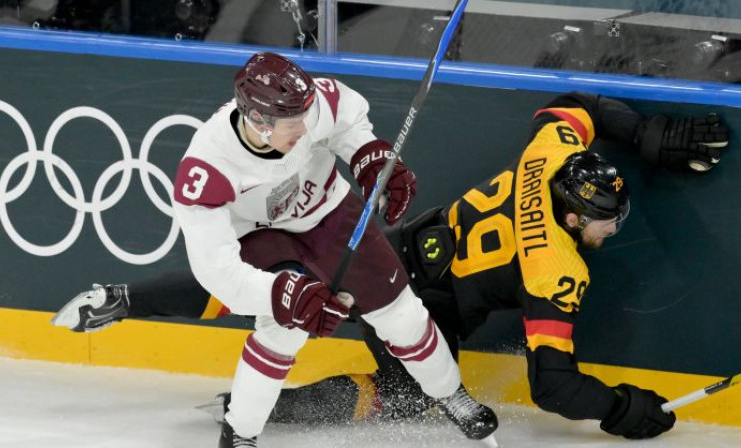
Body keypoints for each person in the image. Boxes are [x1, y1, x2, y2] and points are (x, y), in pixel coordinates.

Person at [53, 91, 729, 440]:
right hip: (415, 301)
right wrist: (625, 411)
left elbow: (573, 110)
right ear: (576, 219)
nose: (615, 228)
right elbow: (554, 388)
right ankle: (270, 411)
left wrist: (641, 131)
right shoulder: (556, 268)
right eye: (609, 221)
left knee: (265, 292)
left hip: (399, 247)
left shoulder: (548, 157)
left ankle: (123, 298)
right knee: (411, 392)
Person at [52, 51, 499, 448]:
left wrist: (370, 158)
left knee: (402, 315)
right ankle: (241, 432)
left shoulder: (305, 104)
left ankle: (450, 394)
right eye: (293, 125)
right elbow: (215, 270)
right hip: (263, 236)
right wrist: (282, 295)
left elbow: (348, 125)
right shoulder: (208, 167)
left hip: (328, 211)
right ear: (260, 123)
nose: (305, 128)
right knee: (283, 329)